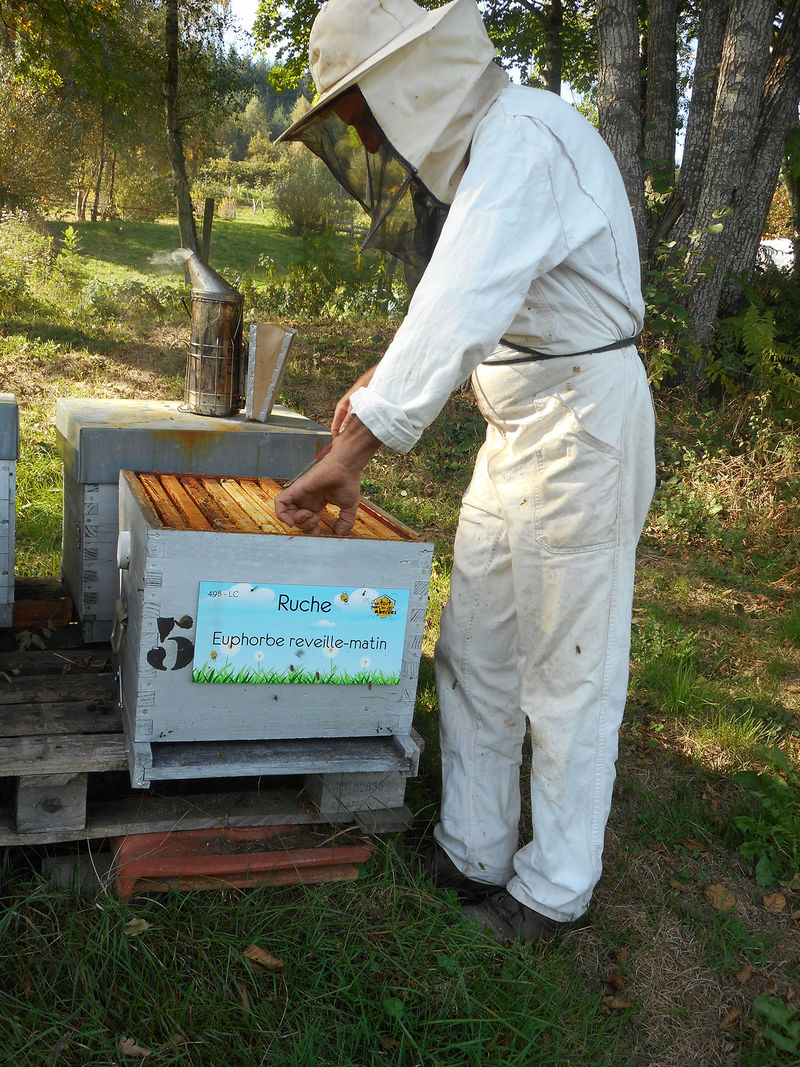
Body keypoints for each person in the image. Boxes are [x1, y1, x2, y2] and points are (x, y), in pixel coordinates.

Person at [274, 0, 656, 944]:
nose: (362, 134)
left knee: (569, 671)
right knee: (476, 646)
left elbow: (461, 298)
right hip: (521, 422)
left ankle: (554, 889)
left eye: (359, 110)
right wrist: (374, 382)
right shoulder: (496, 153)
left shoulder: (527, 138)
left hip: (584, 430)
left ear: (410, 78)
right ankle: (472, 844)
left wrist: (354, 446)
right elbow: (466, 312)